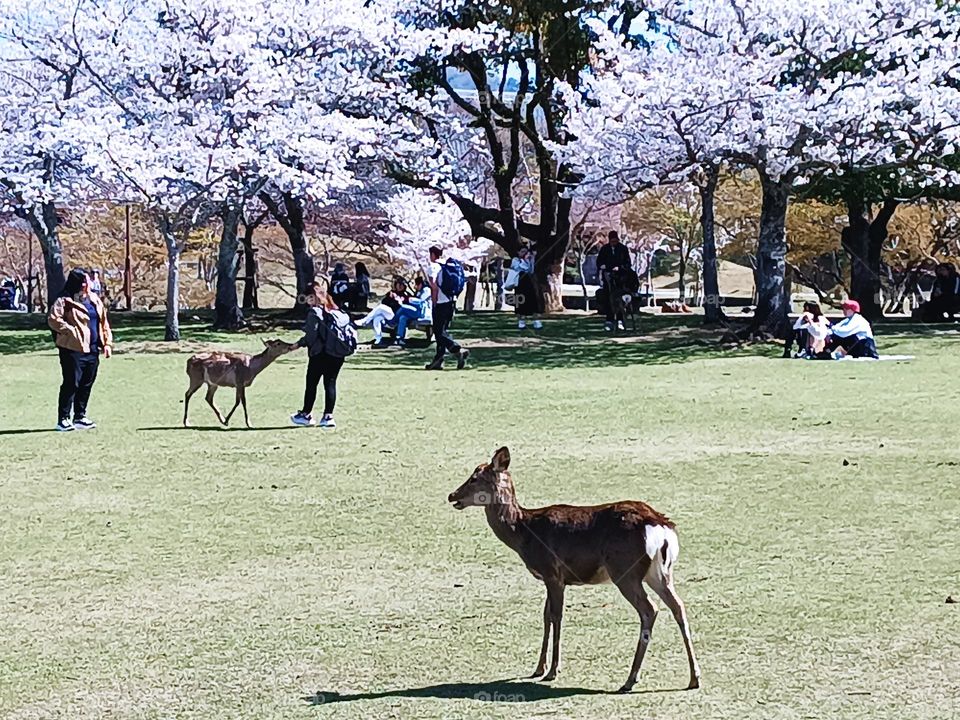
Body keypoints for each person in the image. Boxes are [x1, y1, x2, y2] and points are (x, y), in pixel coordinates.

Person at [47, 268, 113, 431]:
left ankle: (80, 417)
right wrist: (71, 331)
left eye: (88, 282)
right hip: (72, 348)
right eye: (83, 282)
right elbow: (53, 319)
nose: (87, 285)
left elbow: (103, 322)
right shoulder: (64, 300)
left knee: (86, 383)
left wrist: (107, 343)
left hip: (92, 349)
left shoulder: (94, 299)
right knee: (72, 383)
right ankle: (63, 419)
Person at [291, 279, 353, 429]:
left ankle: (306, 414)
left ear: (312, 297)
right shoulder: (336, 310)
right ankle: (328, 417)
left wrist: (298, 344)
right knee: (330, 384)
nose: (307, 301)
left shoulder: (314, 312)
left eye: (308, 298)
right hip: (338, 353)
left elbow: (311, 336)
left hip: (320, 354)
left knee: (312, 384)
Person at [426, 245, 470, 370]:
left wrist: (434, 302)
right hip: (451, 302)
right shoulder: (446, 265)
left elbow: (434, 286)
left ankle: (458, 350)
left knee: (438, 332)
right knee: (442, 331)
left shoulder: (433, 267)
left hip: (440, 303)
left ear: (433, 254)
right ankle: (438, 361)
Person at [597, 230, 634, 331]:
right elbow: (599, 262)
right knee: (608, 299)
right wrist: (603, 266)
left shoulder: (623, 249)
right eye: (612, 241)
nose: (614, 243)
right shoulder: (604, 249)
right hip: (608, 277)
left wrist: (620, 268)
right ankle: (609, 320)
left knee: (619, 299)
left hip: (620, 279)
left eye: (615, 241)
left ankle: (620, 320)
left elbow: (628, 264)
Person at [356, 276, 408, 347]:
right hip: (387, 316)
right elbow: (384, 302)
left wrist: (398, 300)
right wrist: (390, 297)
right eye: (398, 284)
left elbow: (404, 306)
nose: (399, 286)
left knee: (380, 307)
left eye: (401, 285)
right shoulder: (391, 293)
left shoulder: (405, 295)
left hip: (396, 316)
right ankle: (378, 339)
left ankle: (365, 320)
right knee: (377, 318)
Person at [394, 276, 432, 347]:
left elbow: (421, 301)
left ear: (420, 284)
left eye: (416, 285)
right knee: (403, 317)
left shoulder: (426, 290)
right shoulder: (419, 291)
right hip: (416, 311)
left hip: (422, 312)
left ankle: (393, 321)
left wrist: (407, 299)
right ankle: (399, 338)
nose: (415, 287)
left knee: (402, 308)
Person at [510, 247, 543, 330]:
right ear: (518, 252)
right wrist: (524, 261)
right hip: (520, 283)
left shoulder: (529, 259)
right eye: (522, 251)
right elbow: (517, 268)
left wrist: (532, 260)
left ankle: (536, 321)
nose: (524, 253)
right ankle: (521, 321)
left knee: (533, 301)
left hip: (530, 283)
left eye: (525, 252)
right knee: (521, 301)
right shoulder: (515, 260)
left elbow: (531, 270)